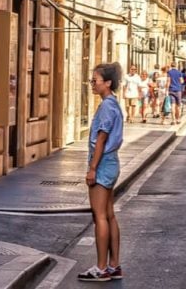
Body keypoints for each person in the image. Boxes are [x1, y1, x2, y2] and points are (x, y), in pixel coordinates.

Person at [78, 63, 125, 282]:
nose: (92, 84)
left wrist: (92, 169)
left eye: (95, 80)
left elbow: (101, 139)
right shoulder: (114, 103)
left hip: (103, 163)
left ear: (107, 83)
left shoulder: (106, 106)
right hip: (112, 162)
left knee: (99, 217)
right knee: (109, 214)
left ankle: (101, 267)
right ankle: (114, 265)